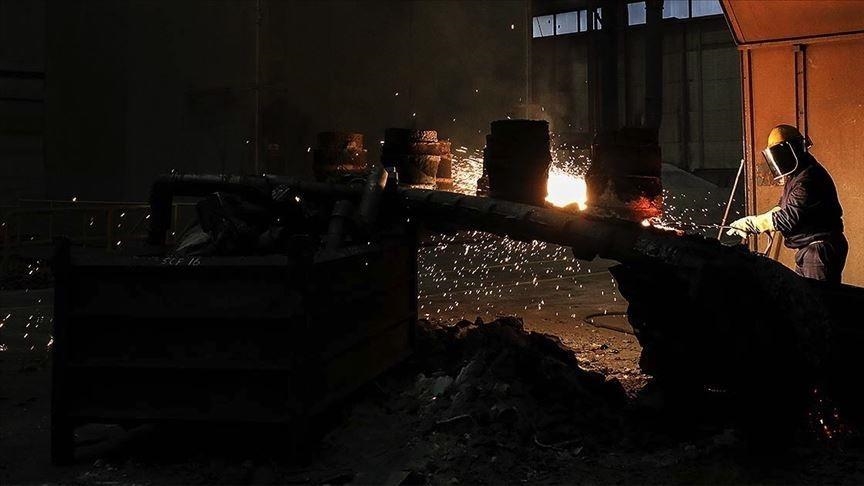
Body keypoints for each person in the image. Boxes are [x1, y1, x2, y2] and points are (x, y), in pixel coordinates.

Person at [727, 124, 847, 283]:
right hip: (810, 249)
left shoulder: (807, 179)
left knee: (818, 297)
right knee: (806, 296)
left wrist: (754, 224)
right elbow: (782, 208)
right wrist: (759, 221)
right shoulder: (797, 176)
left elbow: (788, 217)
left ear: (792, 149)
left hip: (818, 250)